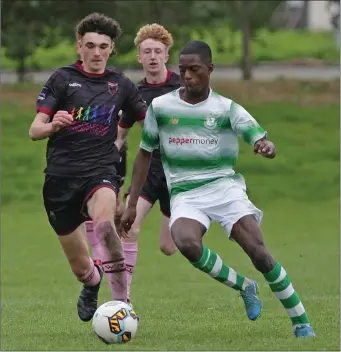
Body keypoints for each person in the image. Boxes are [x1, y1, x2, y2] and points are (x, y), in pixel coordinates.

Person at [121, 40, 315, 338]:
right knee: (185, 241)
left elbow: (256, 135)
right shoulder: (160, 108)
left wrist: (264, 146)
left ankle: (301, 321)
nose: (187, 76)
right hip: (186, 193)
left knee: (259, 253)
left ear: (210, 69)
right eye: (183, 70)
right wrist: (132, 203)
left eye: (195, 70)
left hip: (225, 190)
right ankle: (244, 286)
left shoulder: (226, 108)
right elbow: (144, 154)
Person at [29, 12, 147, 323]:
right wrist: (53, 124)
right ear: (79, 47)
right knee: (81, 268)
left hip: (100, 172)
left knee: (106, 225)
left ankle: (123, 305)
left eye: (103, 46)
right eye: (90, 45)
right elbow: (34, 129)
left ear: (111, 49)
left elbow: (149, 122)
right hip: (60, 179)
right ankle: (93, 284)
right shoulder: (62, 79)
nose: (97, 52)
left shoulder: (120, 85)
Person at [87, 23, 181, 305]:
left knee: (168, 247)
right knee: (129, 227)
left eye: (158, 51)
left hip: (180, 175)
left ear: (167, 55)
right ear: (139, 57)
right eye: (147, 51)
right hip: (149, 173)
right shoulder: (134, 93)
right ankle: (123, 301)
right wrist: (103, 159)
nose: (153, 56)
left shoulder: (183, 89)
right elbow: (121, 135)